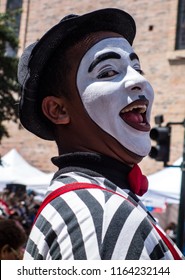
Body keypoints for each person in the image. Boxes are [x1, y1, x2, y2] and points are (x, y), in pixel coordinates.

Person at [18, 8, 184, 260]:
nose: (139, 81)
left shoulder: (94, 204)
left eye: (137, 68)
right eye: (108, 72)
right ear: (58, 109)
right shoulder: (101, 217)